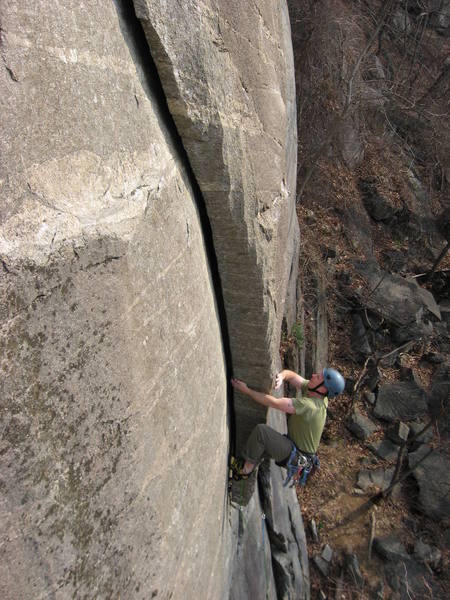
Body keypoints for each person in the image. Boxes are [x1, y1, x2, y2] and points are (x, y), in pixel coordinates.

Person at [230, 367, 345, 480]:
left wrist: (247, 391)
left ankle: (245, 470)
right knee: (264, 444)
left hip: (297, 456)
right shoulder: (317, 393)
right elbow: (293, 376)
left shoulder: (310, 406)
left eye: (318, 377)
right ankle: (250, 462)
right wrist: (282, 376)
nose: (313, 375)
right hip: (296, 450)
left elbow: (273, 402)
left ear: (323, 389)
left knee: (262, 432)